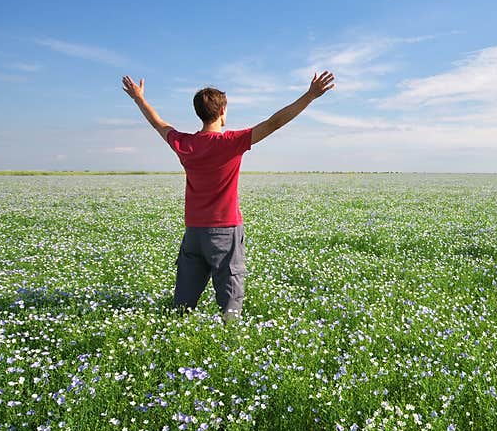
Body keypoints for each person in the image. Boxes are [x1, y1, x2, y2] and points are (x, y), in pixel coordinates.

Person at [121, 71, 336, 321]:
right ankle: (230, 336)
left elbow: (159, 124)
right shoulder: (231, 142)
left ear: (198, 113)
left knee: (183, 300)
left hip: (194, 231)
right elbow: (273, 123)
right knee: (230, 298)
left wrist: (139, 99)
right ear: (222, 112)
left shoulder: (185, 144)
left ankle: (175, 328)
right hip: (225, 230)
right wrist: (309, 96)